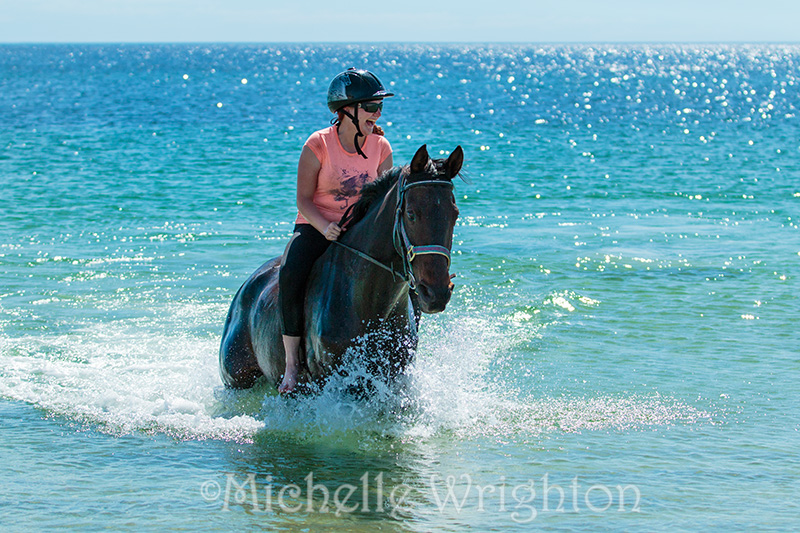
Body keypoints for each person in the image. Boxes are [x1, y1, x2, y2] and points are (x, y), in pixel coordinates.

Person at [277, 68, 394, 393]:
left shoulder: (381, 147)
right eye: (371, 106)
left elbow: (383, 202)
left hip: (360, 231)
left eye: (379, 107)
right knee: (290, 272)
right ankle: (291, 364)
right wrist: (325, 226)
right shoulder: (319, 144)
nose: (378, 114)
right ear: (347, 110)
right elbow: (303, 198)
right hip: (317, 225)